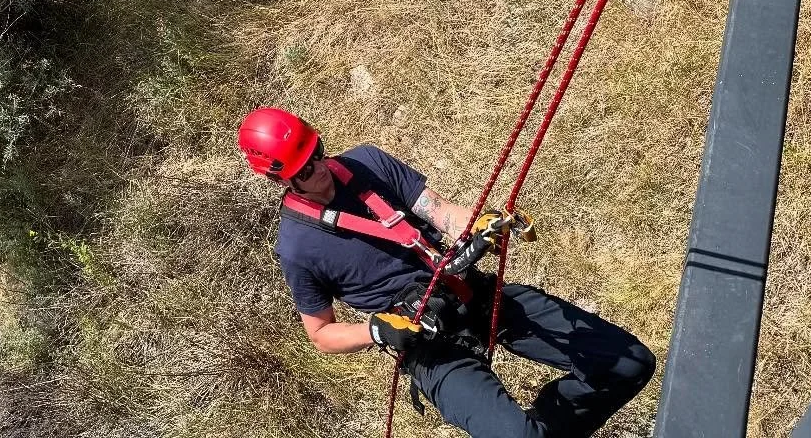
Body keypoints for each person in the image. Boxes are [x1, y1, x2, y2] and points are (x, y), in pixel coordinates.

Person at [237, 107, 655, 438]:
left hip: (472, 293)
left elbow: (438, 212)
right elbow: (320, 335)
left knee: (629, 363)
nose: (321, 167)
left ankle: (544, 427)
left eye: (318, 152)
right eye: (305, 169)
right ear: (278, 178)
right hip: (427, 345)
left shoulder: (366, 163)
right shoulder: (296, 247)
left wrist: (477, 228)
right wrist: (378, 332)